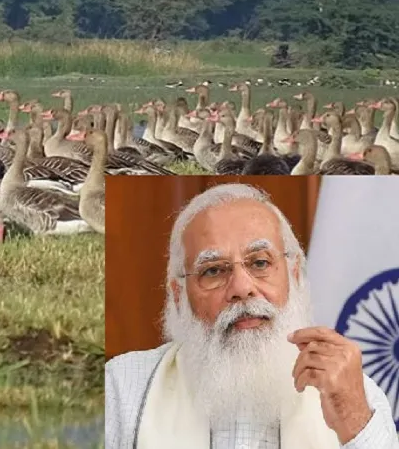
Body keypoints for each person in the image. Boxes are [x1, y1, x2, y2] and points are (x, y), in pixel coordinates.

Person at [105, 183, 398, 448]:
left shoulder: (355, 393)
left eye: (259, 263)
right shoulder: (124, 388)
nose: (242, 288)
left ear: (294, 275)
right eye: (214, 270)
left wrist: (353, 419)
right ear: (180, 294)